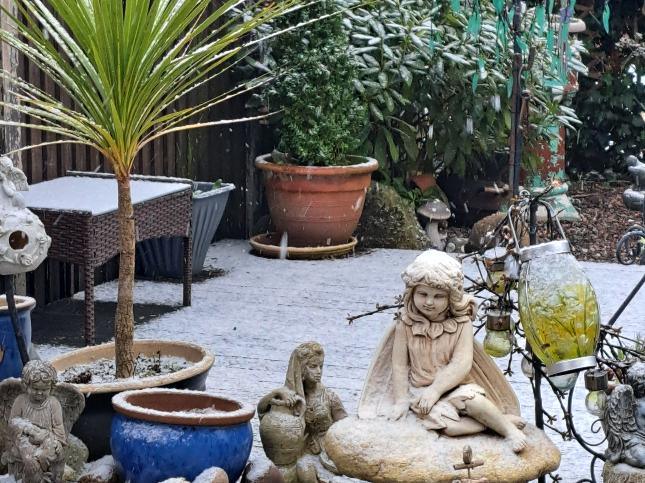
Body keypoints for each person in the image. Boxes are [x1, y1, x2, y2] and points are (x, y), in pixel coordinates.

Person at [359, 250, 528, 453]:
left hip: (454, 386)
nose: (429, 302)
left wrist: (436, 390)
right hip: (420, 391)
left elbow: (461, 363)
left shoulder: (461, 324)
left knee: (474, 402)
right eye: (423, 294)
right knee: (450, 428)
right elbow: (399, 364)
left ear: (452, 297)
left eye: (438, 296)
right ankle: (494, 423)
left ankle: (509, 430)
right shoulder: (405, 322)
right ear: (412, 293)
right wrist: (402, 400)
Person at [258, 342, 347, 482]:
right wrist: (275, 393)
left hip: (326, 453)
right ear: (301, 369)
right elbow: (262, 411)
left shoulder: (329, 396)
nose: (319, 371)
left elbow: (345, 426)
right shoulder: (289, 397)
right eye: (313, 366)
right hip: (299, 453)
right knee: (294, 470)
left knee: (305, 470)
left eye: (321, 366)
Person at [3, 361, 66, 483]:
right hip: (23, 442)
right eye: (35, 388)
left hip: (47, 440)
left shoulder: (53, 403)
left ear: (51, 388)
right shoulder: (20, 401)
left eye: (44, 389)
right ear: (26, 386)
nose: (39, 393)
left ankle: (44, 473)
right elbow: (12, 425)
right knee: (29, 460)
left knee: (52, 450)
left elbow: (59, 428)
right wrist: (27, 431)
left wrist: (57, 440)